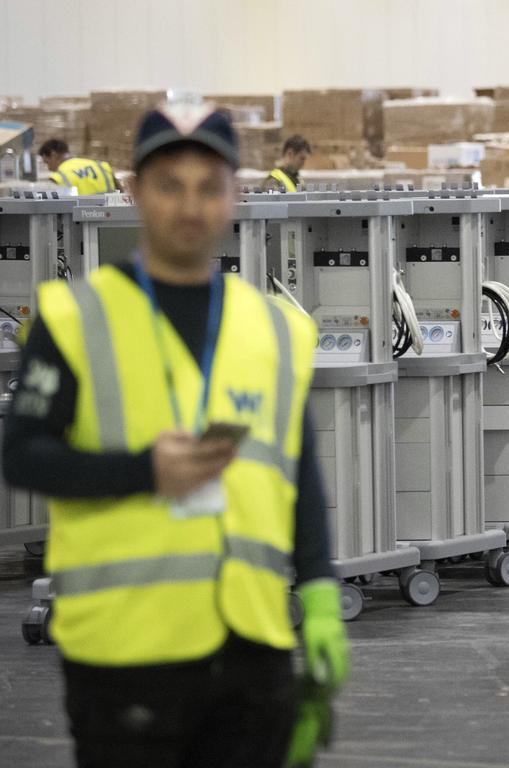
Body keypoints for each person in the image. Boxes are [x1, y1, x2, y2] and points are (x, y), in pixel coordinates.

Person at [3, 102, 347, 768]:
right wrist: (142, 471)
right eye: (170, 185)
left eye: (208, 187)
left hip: (253, 647)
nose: (190, 206)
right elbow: (21, 454)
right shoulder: (76, 317)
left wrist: (324, 596)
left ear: (234, 196)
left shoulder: (274, 328)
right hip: (126, 652)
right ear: (134, 192)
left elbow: (297, 471)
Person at [38, 138, 120, 194]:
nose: (48, 168)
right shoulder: (101, 166)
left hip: (80, 218)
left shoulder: (58, 178)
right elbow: (123, 197)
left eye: (47, 163)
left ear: (53, 155)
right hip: (111, 217)